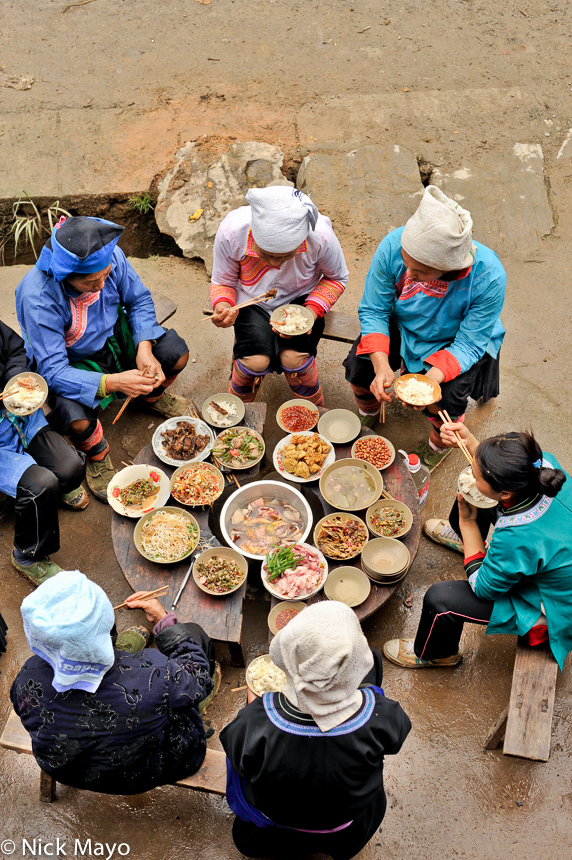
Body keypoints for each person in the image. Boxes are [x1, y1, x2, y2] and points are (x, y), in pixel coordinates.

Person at [16, 216, 190, 502]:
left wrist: (144, 347)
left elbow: (138, 300)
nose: (101, 286)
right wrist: (113, 382)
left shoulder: (109, 255)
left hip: (113, 337)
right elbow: (53, 370)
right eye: (89, 282)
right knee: (75, 420)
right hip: (69, 361)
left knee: (176, 354)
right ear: (65, 276)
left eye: (106, 276)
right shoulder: (38, 297)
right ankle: (97, 454)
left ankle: (151, 397)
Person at [221, 602, 411, 860]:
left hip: (275, 832)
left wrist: (255, 707)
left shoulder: (254, 723)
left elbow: (240, 761)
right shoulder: (382, 715)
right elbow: (396, 740)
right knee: (375, 663)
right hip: (348, 830)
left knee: (248, 837)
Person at [343, 185, 506, 470]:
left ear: (449, 268)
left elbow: (469, 343)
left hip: (457, 339)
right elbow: (375, 309)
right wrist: (382, 366)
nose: (407, 275)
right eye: (405, 263)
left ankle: (436, 444)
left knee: (448, 402)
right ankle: (369, 409)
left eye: (419, 272)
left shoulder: (489, 276)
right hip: (402, 322)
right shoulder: (394, 245)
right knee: (360, 366)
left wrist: (427, 384)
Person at [383, 426, 572, 669]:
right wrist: (473, 443)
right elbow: (496, 480)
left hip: (553, 607)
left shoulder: (516, 536)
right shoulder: (542, 465)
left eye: (478, 473)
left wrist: (468, 523)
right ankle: (463, 537)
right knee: (476, 494)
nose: (473, 474)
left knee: (440, 599)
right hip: (551, 554)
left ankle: (436, 652)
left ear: (505, 491)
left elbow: (483, 589)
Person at [11, 570, 216, 794]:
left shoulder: (28, 677)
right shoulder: (155, 675)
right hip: (143, 772)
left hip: (69, 771)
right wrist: (163, 619)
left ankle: (124, 647)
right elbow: (198, 679)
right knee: (194, 637)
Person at [209, 186, 348, 406]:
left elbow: (336, 278)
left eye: (285, 256)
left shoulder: (320, 236)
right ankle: (236, 411)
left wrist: (310, 313)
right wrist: (223, 305)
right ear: (254, 236)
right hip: (250, 299)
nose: (274, 263)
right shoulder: (231, 232)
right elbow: (223, 282)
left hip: (303, 299)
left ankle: (311, 410)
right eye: (266, 254)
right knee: (256, 362)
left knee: (293, 359)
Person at [0, 320, 87, 586]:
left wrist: (13, 382)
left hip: (19, 413)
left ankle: (46, 496)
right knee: (41, 485)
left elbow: (15, 350)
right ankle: (27, 556)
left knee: (71, 468)